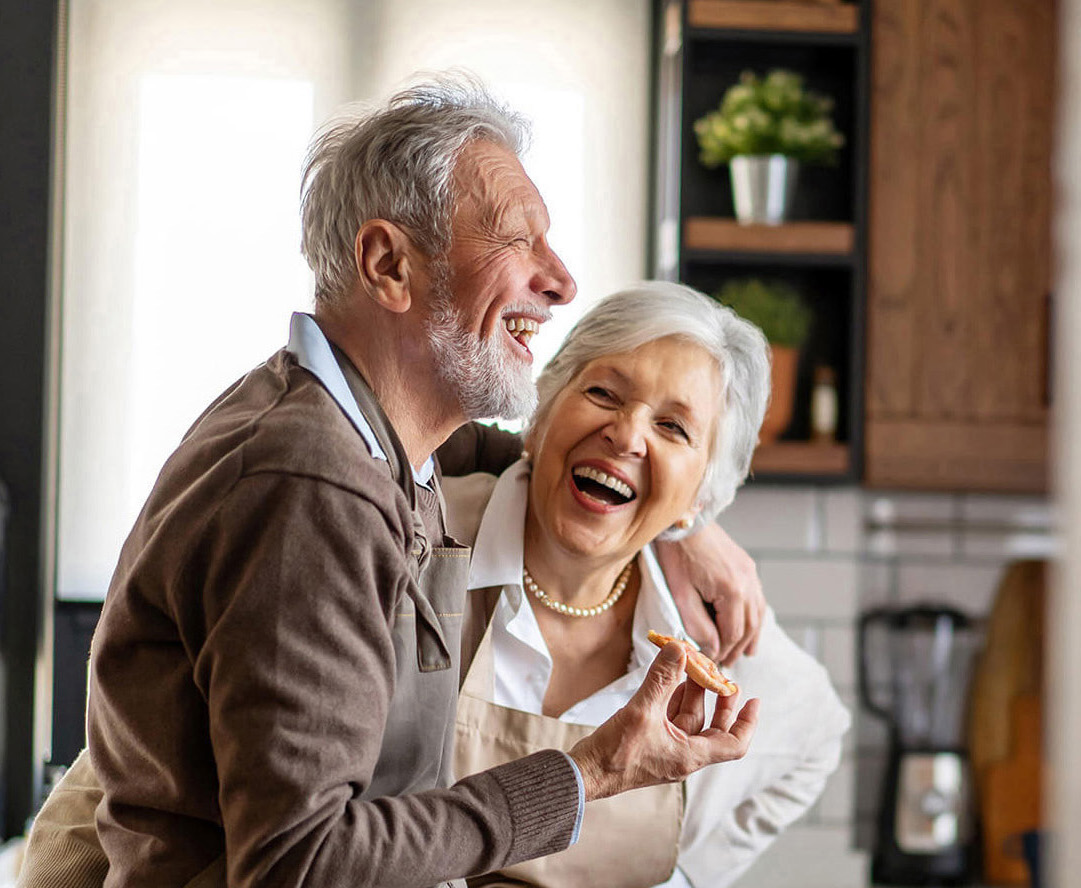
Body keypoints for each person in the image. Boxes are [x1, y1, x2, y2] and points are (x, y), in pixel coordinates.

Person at [19, 74, 763, 888]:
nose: (561, 281)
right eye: (519, 240)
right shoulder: (310, 489)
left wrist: (689, 515)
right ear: (388, 265)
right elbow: (299, 864)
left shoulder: (365, 436)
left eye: (672, 427)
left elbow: (518, 449)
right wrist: (593, 771)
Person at [438, 282, 850, 888]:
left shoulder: (709, 643)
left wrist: (685, 880)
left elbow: (819, 733)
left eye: (674, 428)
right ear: (543, 411)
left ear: (701, 499)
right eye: (603, 392)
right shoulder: (419, 546)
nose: (627, 436)